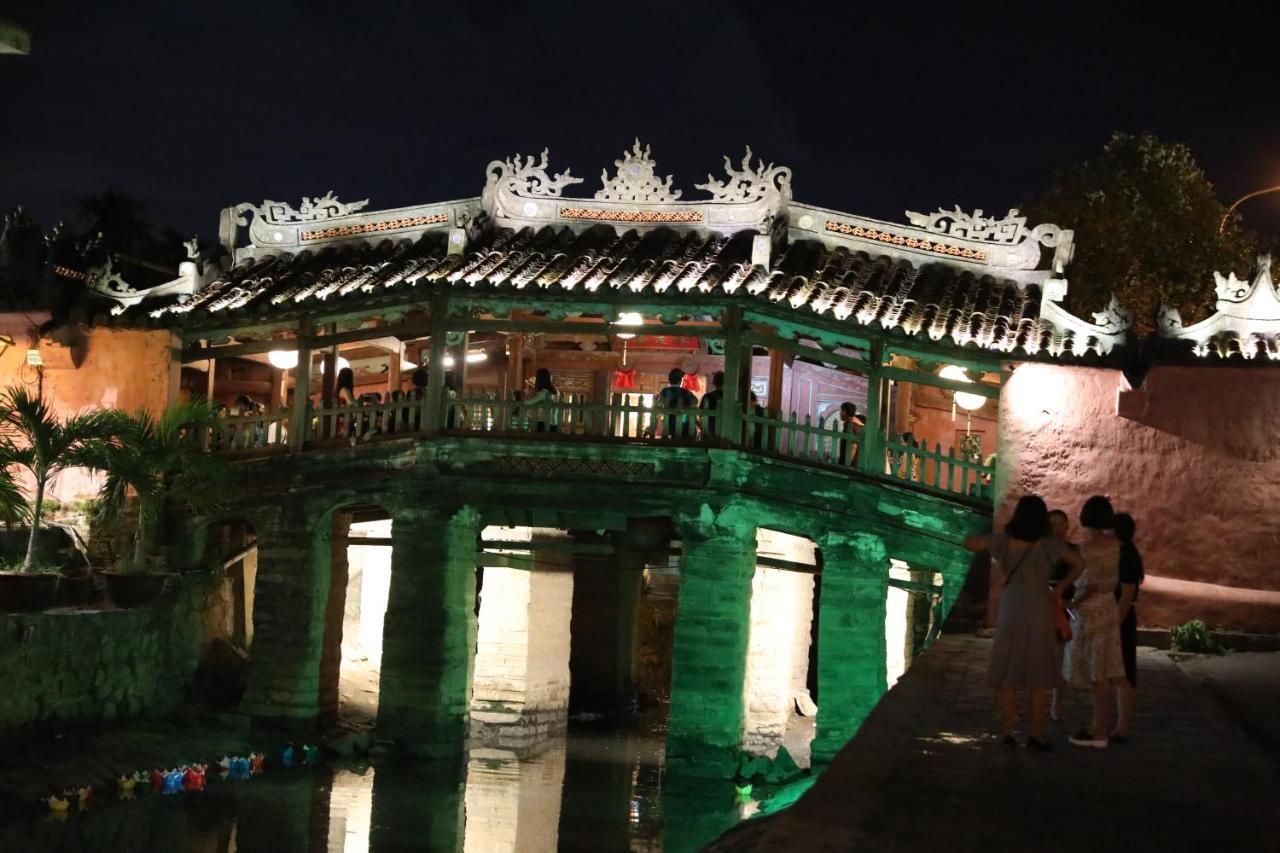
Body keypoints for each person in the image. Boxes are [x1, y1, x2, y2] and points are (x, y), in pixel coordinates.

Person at [964, 495, 1085, 751]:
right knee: (1038, 674)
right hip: (1040, 603)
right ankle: (1036, 735)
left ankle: (1008, 732)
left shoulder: (1004, 542)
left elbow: (969, 543)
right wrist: (1061, 587)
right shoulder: (1049, 544)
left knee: (1008, 668)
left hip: (1012, 603)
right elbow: (1080, 563)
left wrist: (987, 532)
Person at [1062, 495, 1127, 749]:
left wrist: (1071, 604)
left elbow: (1088, 586)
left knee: (1095, 673)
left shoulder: (1085, 548)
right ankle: (1097, 725)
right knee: (1104, 670)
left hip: (1089, 611)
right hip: (1108, 607)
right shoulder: (1115, 544)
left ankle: (1098, 730)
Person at [1110, 512, 1143, 743]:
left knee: (1122, 672)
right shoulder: (1123, 553)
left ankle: (1123, 725)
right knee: (1118, 672)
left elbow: (1126, 595)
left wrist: (1114, 624)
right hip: (1118, 616)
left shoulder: (1126, 555)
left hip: (1120, 617)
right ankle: (1121, 723)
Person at [1047, 509, 1079, 722]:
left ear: (1068, 527)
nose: (1058, 528)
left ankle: (1055, 705)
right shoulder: (1040, 551)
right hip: (1039, 608)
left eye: (1062, 524)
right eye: (1053, 524)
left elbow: (1082, 581)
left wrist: (1071, 602)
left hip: (1064, 609)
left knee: (1061, 658)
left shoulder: (1075, 552)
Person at [657, 368, 697, 438]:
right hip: (683, 422)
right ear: (681, 380)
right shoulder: (686, 392)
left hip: (669, 422)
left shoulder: (665, 391)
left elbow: (659, 404)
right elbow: (695, 402)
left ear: (669, 380)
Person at [525, 368, 559, 433]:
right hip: (553, 422)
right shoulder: (555, 391)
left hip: (542, 423)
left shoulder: (543, 392)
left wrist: (525, 398)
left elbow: (528, 402)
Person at [698, 370, 726, 440]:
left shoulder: (707, 397)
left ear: (714, 383)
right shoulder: (729, 398)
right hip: (725, 430)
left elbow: (700, 414)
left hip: (708, 430)